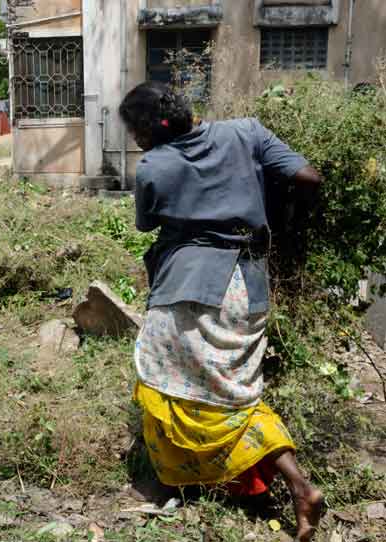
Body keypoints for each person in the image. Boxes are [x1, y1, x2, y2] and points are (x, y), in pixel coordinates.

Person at [121, 82, 324, 541]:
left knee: (161, 379)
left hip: (184, 286)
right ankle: (295, 484)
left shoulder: (155, 165)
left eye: (135, 131)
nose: (136, 141)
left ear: (151, 130)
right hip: (247, 289)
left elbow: (147, 222)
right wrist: (289, 227)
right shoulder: (248, 131)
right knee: (236, 393)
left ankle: (180, 479)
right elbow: (308, 178)